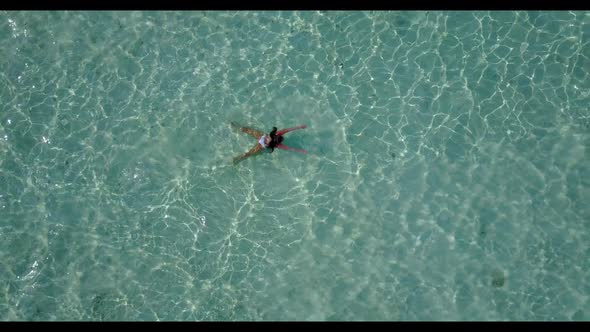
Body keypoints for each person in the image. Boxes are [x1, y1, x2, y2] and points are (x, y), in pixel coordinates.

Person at [231, 122, 307, 164]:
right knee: (247, 130)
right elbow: (287, 130)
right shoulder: (277, 134)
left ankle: (237, 158)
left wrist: (300, 150)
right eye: (268, 137)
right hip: (261, 136)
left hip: (261, 146)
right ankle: (236, 128)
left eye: (267, 141)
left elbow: (289, 148)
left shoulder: (277, 145)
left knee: (249, 153)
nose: (267, 139)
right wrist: (299, 127)